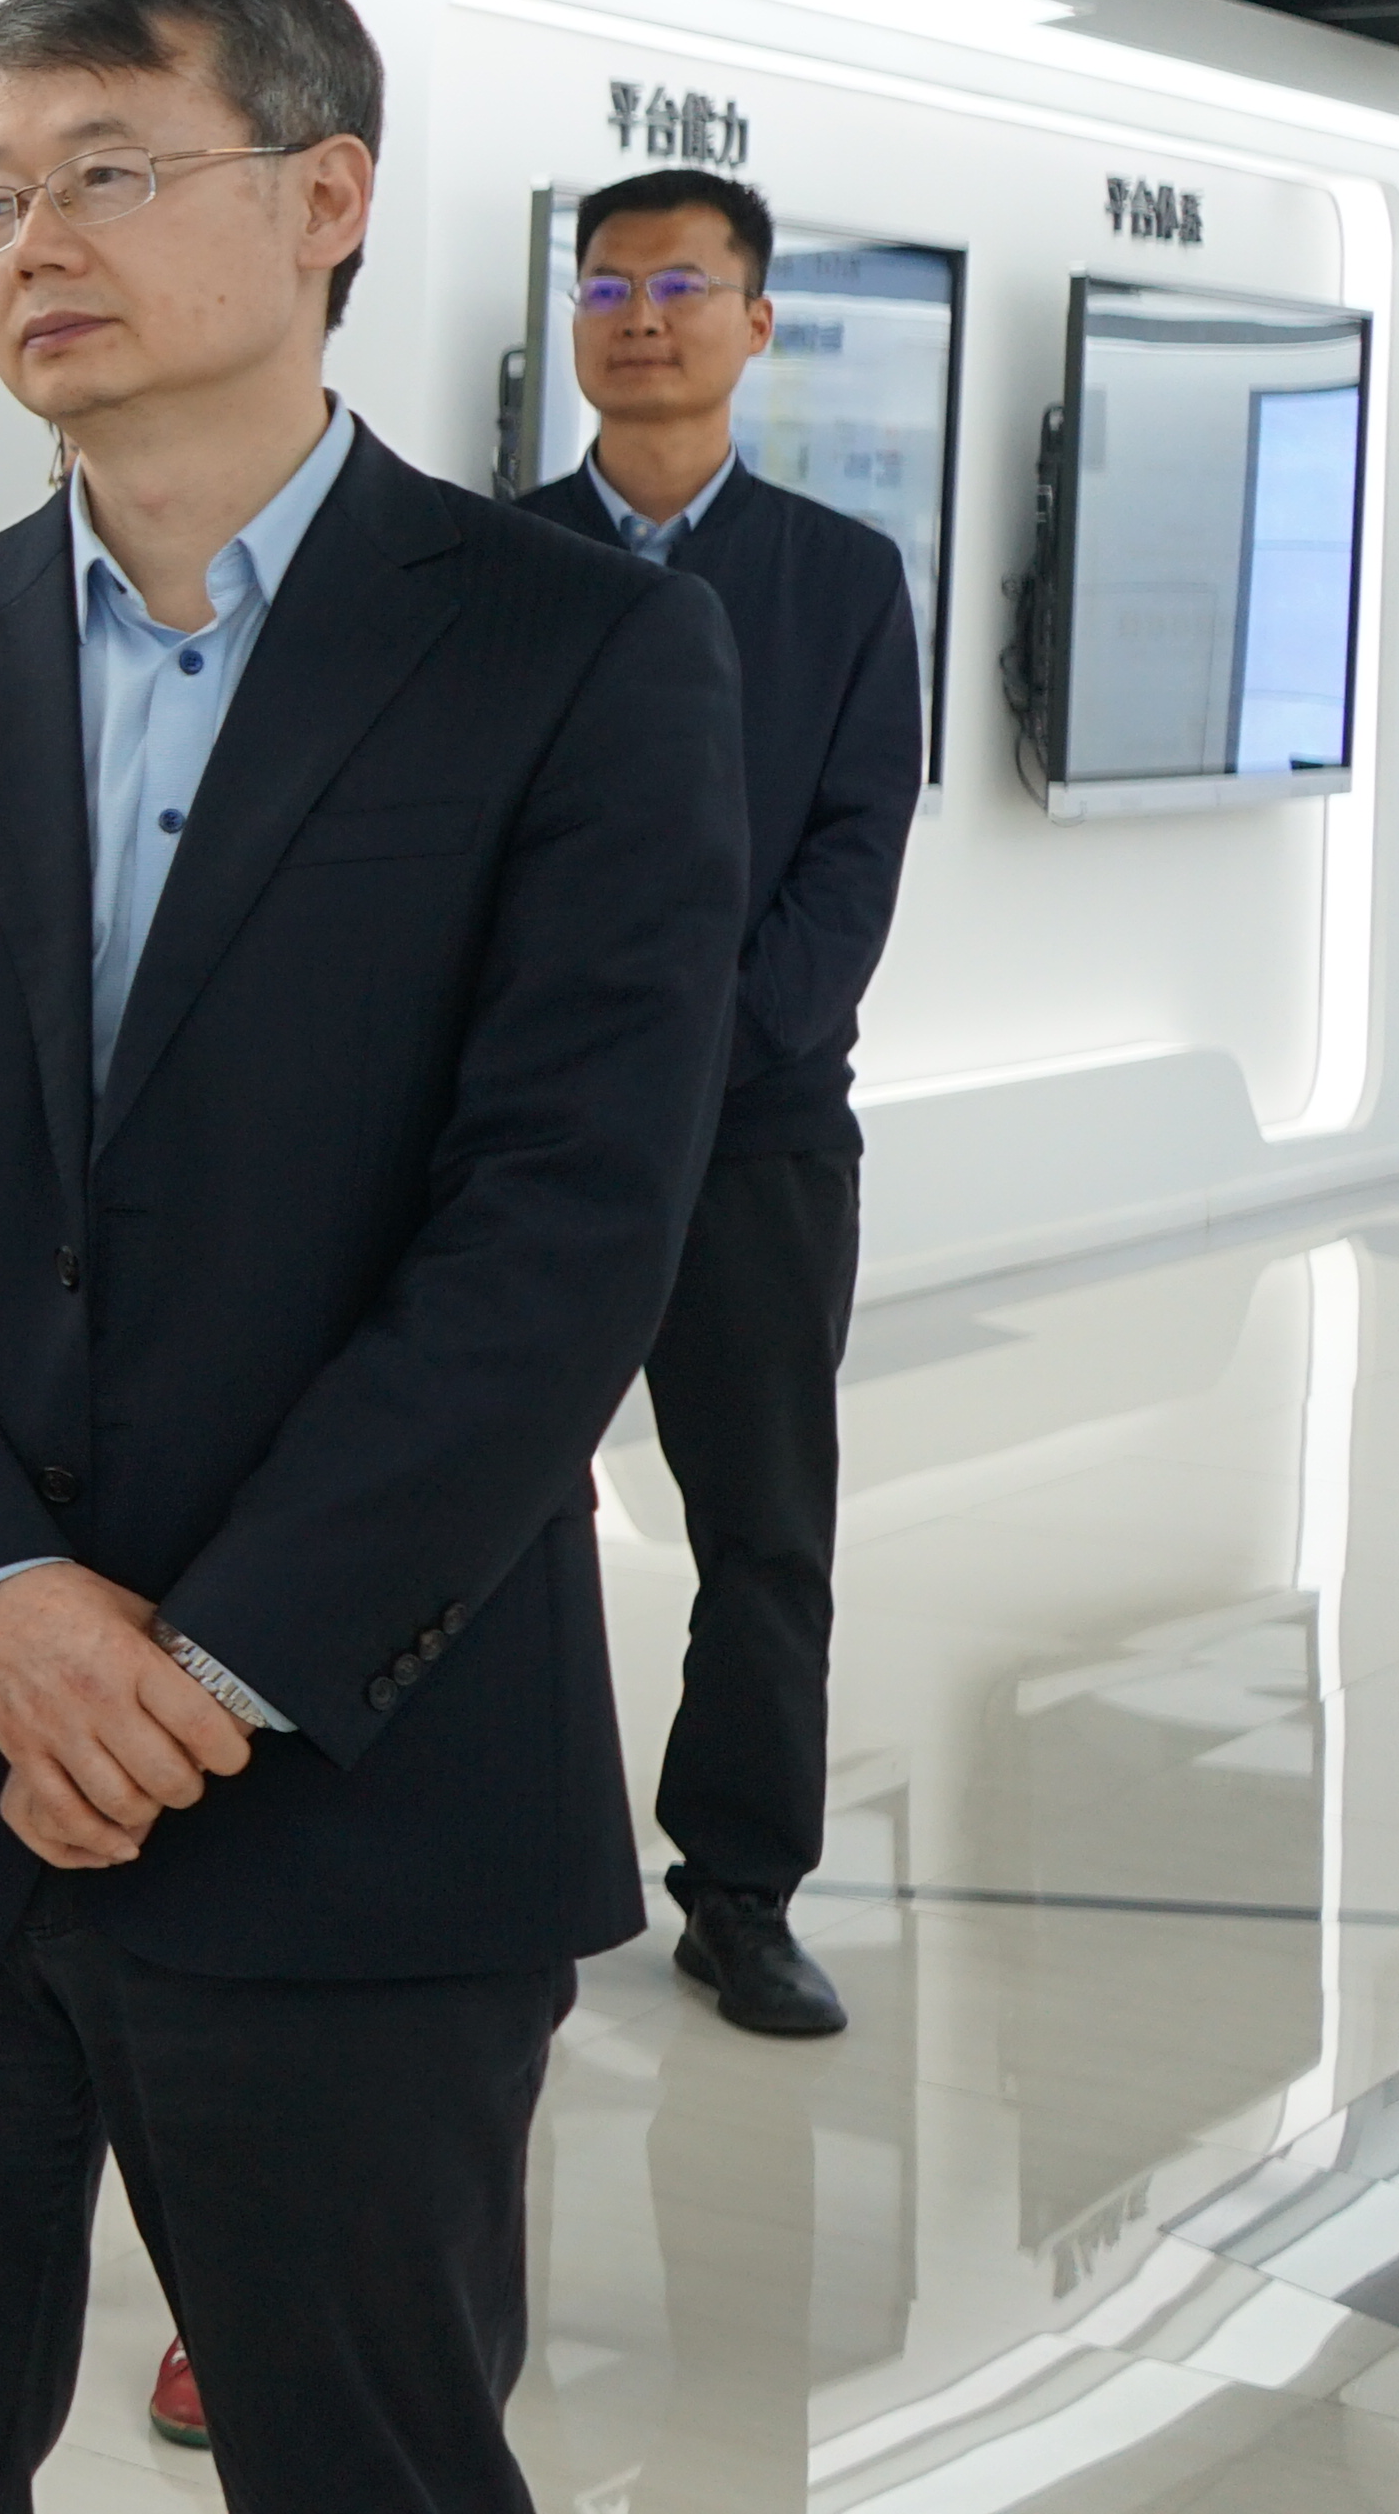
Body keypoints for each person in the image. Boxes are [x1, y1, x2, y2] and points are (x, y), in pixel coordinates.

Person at [0, 0, 743, 2513]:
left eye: (106, 171)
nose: (31, 238)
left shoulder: (579, 655)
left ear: (325, 196)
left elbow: (561, 1225)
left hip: (356, 1772)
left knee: (370, 2462)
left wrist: (212, 1660)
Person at [523, 165, 919, 2043]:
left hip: (755, 1138)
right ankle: (498, 1865)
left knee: (763, 1532)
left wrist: (700, 1055)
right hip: (519, 1139)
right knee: (481, 1512)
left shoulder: (840, 579)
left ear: (757, 324)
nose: (642, 319)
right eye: (608, 288)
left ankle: (740, 1892)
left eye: (682, 287)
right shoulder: (494, 562)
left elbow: (851, 860)